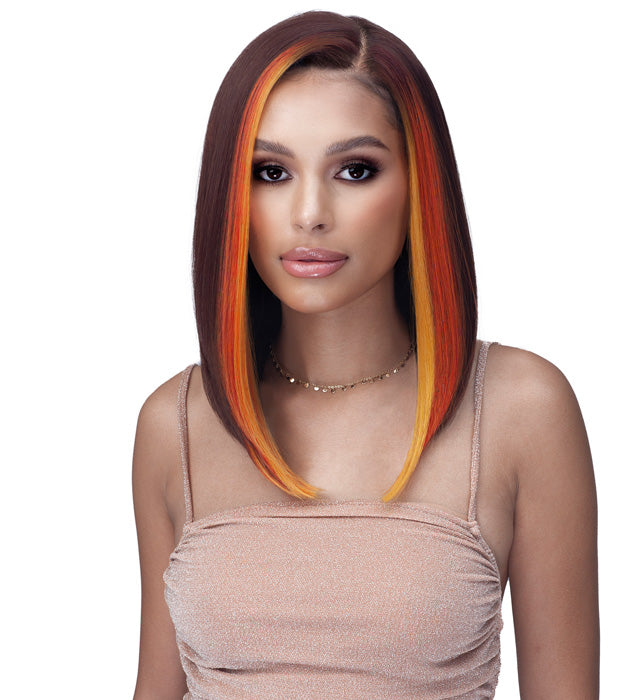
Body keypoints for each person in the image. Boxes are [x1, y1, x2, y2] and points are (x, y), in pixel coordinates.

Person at [132, 10, 599, 699]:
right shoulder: (175, 422)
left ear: (418, 185)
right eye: (270, 171)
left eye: (355, 170)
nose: (309, 213)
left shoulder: (520, 408)